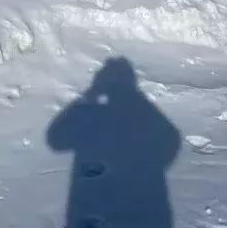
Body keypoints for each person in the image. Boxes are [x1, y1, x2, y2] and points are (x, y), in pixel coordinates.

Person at [46, 57, 181, 228]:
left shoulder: (94, 113)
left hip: (98, 206)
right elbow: (172, 140)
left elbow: (56, 139)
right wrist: (149, 170)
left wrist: (89, 95)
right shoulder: (145, 111)